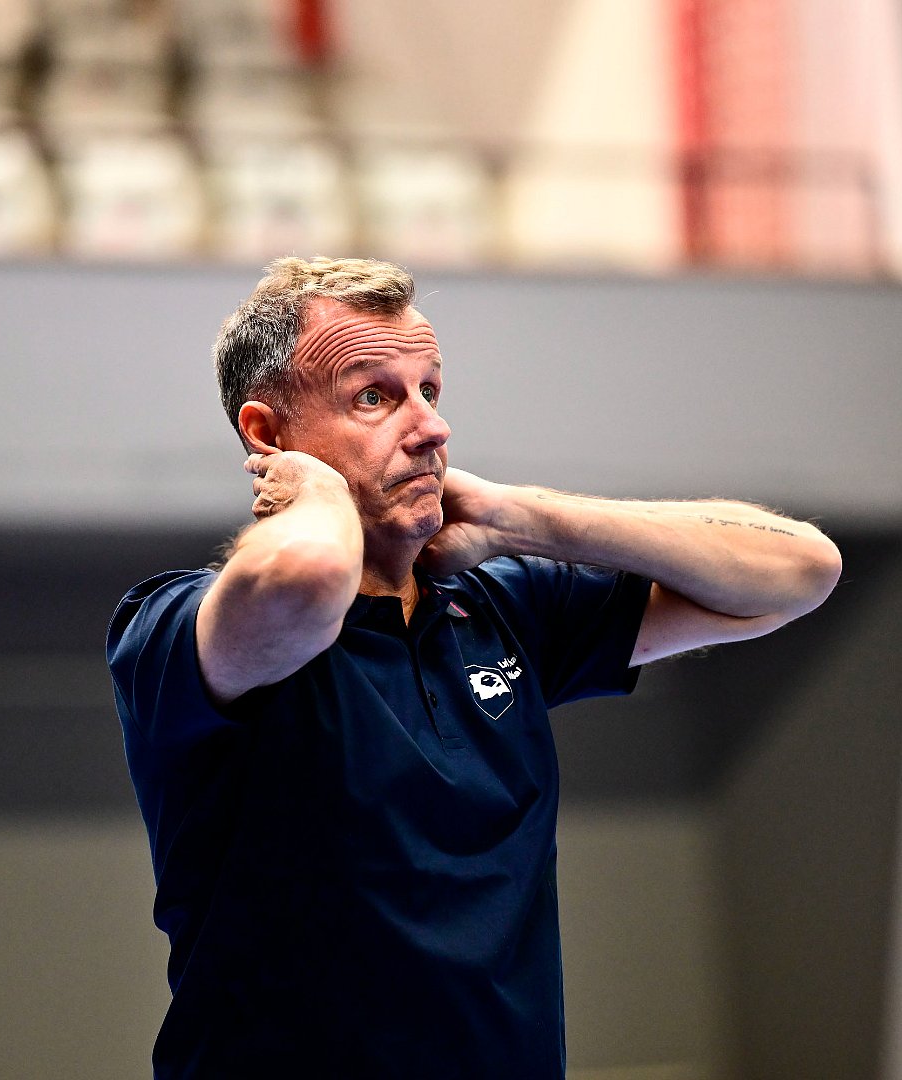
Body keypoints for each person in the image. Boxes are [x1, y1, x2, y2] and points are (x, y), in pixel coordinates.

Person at [107, 256, 842, 1079]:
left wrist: (514, 516)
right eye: (374, 397)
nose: (430, 428)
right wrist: (315, 493)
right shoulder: (178, 625)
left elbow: (802, 571)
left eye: (430, 390)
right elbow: (307, 578)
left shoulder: (501, 606)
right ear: (268, 434)